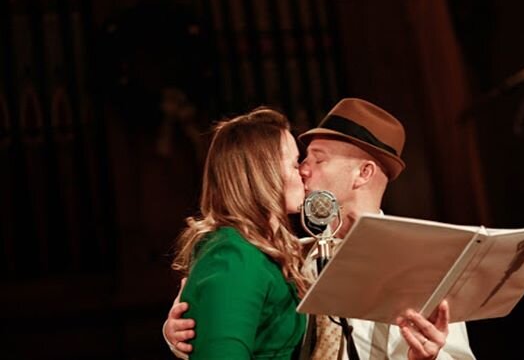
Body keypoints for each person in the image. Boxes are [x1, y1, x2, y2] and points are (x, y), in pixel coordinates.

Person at [165, 98, 476, 360]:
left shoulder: (421, 260)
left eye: (318, 159)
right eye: (301, 160)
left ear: (363, 173)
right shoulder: (293, 258)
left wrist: (430, 357)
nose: (303, 169)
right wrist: (184, 328)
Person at [169, 107, 309, 359]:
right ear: (263, 173)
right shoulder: (233, 255)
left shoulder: (260, 250)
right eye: (294, 164)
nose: (303, 173)